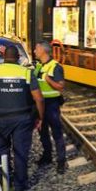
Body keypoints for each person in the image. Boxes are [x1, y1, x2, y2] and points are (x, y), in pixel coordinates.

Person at [0, 46, 44, 191]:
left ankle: (1, 183)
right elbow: (39, 98)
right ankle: (20, 186)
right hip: (23, 120)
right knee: (21, 152)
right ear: (18, 57)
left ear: (4, 57)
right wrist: (39, 117)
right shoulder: (26, 72)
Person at [33, 41, 67, 174]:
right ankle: (47, 156)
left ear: (42, 50)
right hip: (39, 105)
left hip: (51, 104)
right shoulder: (38, 66)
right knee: (43, 132)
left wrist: (49, 80)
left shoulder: (55, 67)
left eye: (36, 49)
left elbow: (61, 86)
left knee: (57, 133)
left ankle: (61, 161)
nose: (35, 51)